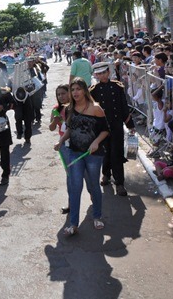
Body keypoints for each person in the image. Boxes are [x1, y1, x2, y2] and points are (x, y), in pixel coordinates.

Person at [54, 77, 109, 236]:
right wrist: (61, 141)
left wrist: (96, 142)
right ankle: (73, 224)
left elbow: (106, 130)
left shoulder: (96, 108)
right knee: (75, 187)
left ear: (85, 90)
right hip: (74, 152)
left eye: (78, 89)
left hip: (93, 155)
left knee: (93, 186)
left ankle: (97, 216)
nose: (75, 92)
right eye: (73, 89)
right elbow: (70, 129)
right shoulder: (70, 108)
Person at [89, 61, 135, 196]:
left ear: (108, 72)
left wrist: (130, 124)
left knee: (117, 153)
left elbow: (123, 106)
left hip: (116, 125)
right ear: (96, 75)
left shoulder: (117, 87)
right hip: (101, 127)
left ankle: (119, 182)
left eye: (104, 72)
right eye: (99, 74)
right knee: (104, 152)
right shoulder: (93, 90)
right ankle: (106, 175)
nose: (102, 76)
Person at [49, 84, 71, 214]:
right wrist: (55, 120)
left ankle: (93, 197)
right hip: (64, 146)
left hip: (79, 143)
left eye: (63, 93)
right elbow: (51, 128)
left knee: (86, 175)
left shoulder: (76, 107)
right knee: (70, 175)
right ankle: (71, 203)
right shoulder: (56, 109)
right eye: (58, 94)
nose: (61, 96)